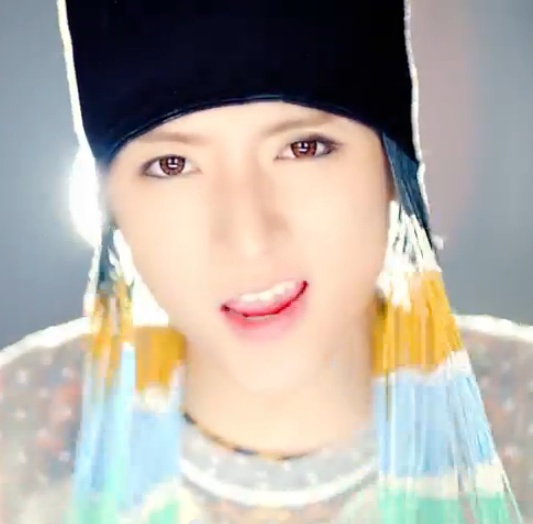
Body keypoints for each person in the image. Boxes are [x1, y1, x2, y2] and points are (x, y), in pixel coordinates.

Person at [0, 1, 531, 523]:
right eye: (173, 164)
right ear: (111, 201)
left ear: (392, 167)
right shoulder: (18, 430)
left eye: (303, 148)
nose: (249, 239)